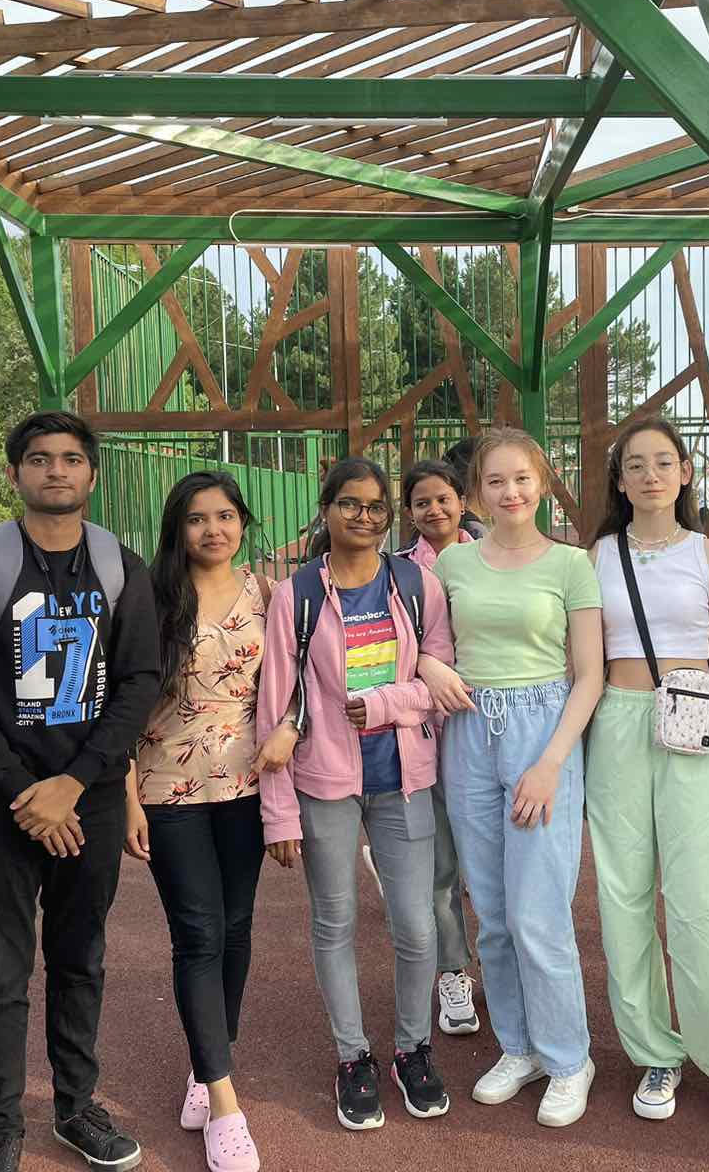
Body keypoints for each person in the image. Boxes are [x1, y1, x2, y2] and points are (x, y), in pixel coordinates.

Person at [0, 411, 160, 1172]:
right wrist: (25, 792)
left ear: (91, 475)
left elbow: (139, 682)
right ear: (14, 473)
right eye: (40, 459)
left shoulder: (120, 566)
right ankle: (1, 1128)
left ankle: (75, 1108)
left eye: (71, 459)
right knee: (0, 975)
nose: (56, 471)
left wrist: (73, 783)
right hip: (2, 803)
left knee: (80, 960)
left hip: (89, 798)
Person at [253, 457, 456, 1132]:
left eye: (375, 506)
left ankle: (412, 1048)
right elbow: (275, 706)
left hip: (404, 779)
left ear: (388, 515)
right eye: (349, 504)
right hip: (325, 782)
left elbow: (442, 682)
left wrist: (385, 703)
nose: (363, 516)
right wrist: (278, 811)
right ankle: (352, 1056)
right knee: (334, 921)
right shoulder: (297, 595)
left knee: (417, 924)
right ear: (327, 509)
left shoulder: (417, 586)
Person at [585, 417, 709, 1130]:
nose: (651, 475)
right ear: (620, 480)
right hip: (616, 723)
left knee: (704, 899)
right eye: (636, 464)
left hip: (696, 723)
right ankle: (655, 1050)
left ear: (686, 472)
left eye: (664, 462)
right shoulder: (595, 557)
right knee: (623, 897)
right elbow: (582, 663)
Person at [429, 427, 605, 1128]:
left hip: (542, 730)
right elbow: (424, 643)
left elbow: (589, 675)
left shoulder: (571, 564)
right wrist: (429, 667)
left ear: (543, 483)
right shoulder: (451, 564)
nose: (510, 493)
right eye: (495, 481)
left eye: (522, 479)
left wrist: (551, 763)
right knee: (494, 913)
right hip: (470, 731)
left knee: (540, 912)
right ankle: (520, 1045)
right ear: (477, 491)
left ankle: (569, 1058)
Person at [124, 471, 271, 1172]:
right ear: (176, 529)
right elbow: (119, 702)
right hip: (167, 785)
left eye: (224, 516)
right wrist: (126, 794)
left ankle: (208, 1063)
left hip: (249, 785)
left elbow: (295, 686)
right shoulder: (150, 598)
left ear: (243, 522)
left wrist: (291, 732)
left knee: (236, 929)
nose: (213, 529)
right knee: (199, 935)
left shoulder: (268, 594)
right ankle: (224, 1102)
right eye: (196, 518)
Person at [398, 458, 481, 1038]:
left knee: (498, 867)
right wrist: (428, 664)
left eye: (443, 498)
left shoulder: (493, 558)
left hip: (487, 730)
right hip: (426, 737)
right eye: (422, 501)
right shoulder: (399, 574)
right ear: (409, 512)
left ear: (462, 501)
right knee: (441, 869)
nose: (435, 509)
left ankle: (513, 972)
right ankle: (454, 973)